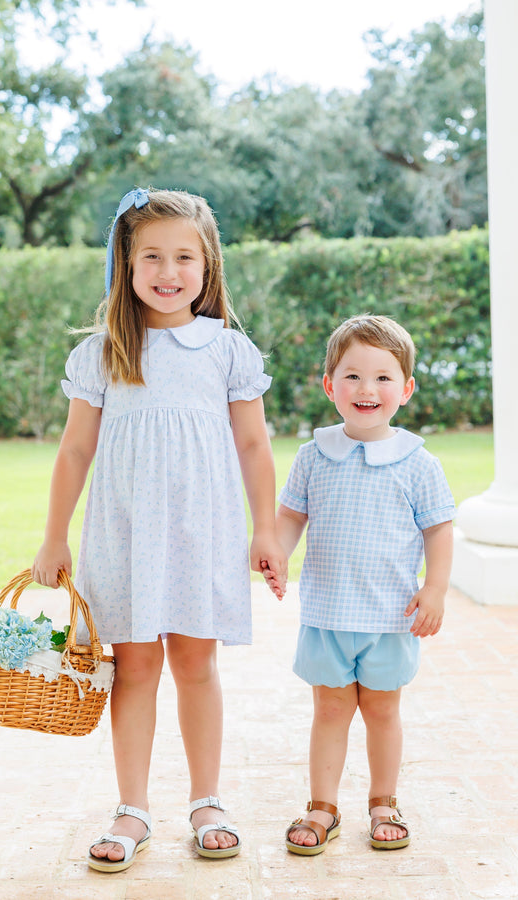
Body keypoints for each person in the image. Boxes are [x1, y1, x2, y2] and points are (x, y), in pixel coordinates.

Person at [31, 187, 287, 873]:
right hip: (126, 534)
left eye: (184, 257)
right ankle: (133, 808)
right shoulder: (105, 353)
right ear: (126, 261)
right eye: (151, 256)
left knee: (197, 664)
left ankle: (207, 801)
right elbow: (75, 451)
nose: (168, 271)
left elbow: (254, 446)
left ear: (208, 266)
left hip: (202, 532)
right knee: (136, 668)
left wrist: (266, 530)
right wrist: (54, 536)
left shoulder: (227, 351)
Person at [263, 314, 455, 854]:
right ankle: (322, 805)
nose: (366, 389)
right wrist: (277, 551)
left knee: (383, 711)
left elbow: (439, 530)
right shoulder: (313, 455)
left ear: (406, 389)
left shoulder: (418, 463)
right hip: (328, 614)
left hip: (390, 617)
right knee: (329, 711)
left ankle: (383, 801)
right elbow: (291, 516)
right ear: (330, 386)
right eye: (352, 376)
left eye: (382, 377)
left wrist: (435, 589)